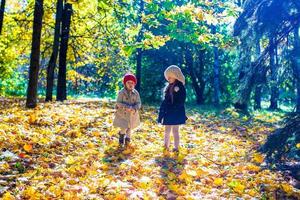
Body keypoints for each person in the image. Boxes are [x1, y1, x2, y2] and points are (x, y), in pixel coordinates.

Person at [158, 65, 187, 152]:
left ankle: (176, 147)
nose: (168, 78)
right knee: (167, 130)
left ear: (176, 75)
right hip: (168, 112)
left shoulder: (180, 87)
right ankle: (166, 146)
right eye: (167, 77)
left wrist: (177, 92)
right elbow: (166, 100)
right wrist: (162, 112)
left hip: (176, 112)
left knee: (175, 131)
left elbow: (181, 100)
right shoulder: (168, 87)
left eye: (170, 76)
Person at [113, 73, 141, 146]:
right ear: (125, 83)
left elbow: (138, 103)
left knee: (130, 128)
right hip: (123, 114)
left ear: (134, 84)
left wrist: (134, 108)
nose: (130, 84)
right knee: (124, 127)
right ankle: (121, 137)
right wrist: (126, 106)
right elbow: (118, 103)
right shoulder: (121, 93)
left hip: (132, 114)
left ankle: (128, 140)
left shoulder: (136, 93)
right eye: (128, 82)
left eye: (132, 83)